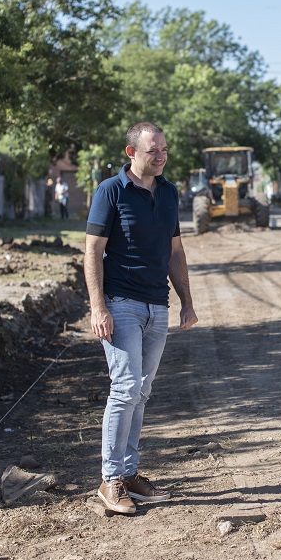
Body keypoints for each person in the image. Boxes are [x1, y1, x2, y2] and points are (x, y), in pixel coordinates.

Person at [84, 122, 198, 514]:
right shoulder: (110, 191)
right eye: (153, 150)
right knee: (126, 386)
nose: (161, 155)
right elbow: (92, 251)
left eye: (164, 148)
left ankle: (130, 474)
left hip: (156, 307)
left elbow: (175, 252)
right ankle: (110, 479)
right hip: (120, 304)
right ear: (131, 153)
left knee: (142, 391)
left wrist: (187, 301)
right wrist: (98, 307)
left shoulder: (168, 193)